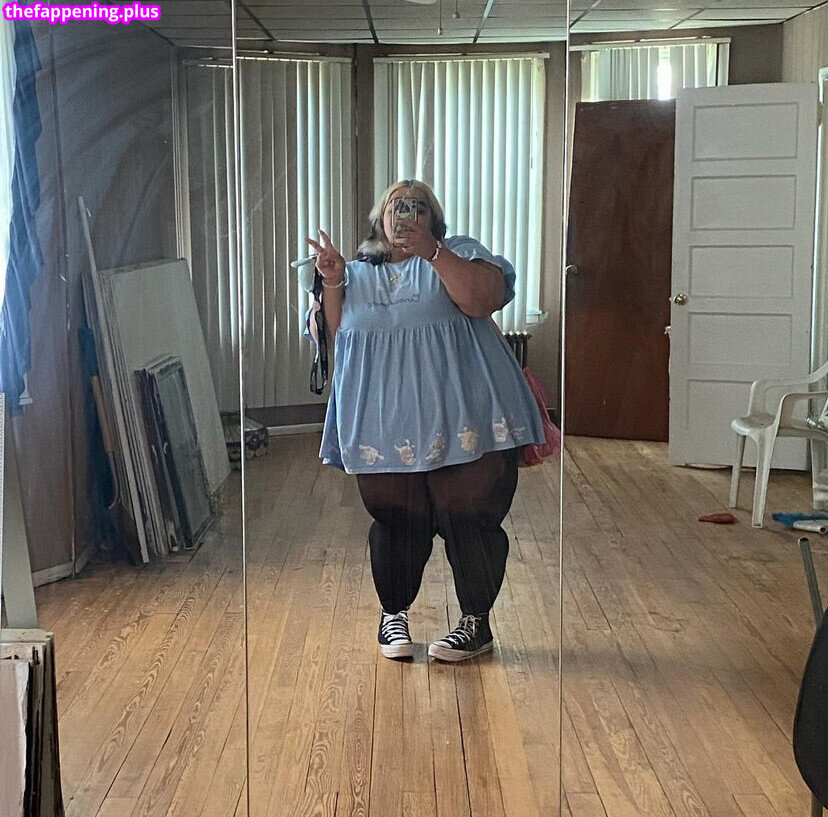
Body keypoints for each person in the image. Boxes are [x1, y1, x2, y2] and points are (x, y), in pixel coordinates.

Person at [305, 179, 545, 662]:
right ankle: (393, 615)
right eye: (396, 207)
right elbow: (335, 338)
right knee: (396, 519)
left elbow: (480, 299)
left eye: (417, 207)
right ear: (379, 219)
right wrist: (330, 280)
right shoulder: (353, 272)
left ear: (434, 218)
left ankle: (475, 624)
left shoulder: (459, 253)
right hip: (384, 423)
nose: (405, 215)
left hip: (466, 415)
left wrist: (433, 251)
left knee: (471, 516)